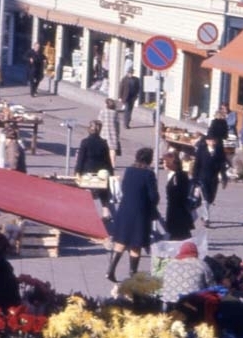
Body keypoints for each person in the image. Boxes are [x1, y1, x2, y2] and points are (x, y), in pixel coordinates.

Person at [106, 147, 159, 282]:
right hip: (139, 213)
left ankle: (111, 270)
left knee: (121, 241)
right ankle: (132, 273)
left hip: (124, 210)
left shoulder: (129, 170)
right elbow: (153, 196)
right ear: (149, 159)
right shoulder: (149, 174)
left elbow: (124, 188)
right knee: (136, 244)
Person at [74, 120, 113, 217]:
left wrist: (77, 172)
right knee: (104, 191)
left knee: (85, 191)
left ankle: (86, 212)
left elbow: (81, 159)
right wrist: (111, 173)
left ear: (89, 130)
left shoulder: (85, 142)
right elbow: (107, 161)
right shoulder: (103, 143)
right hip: (100, 173)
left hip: (87, 173)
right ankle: (105, 211)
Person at [159, 241, 213, 306]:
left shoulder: (170, 264)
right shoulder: (202, 264)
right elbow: (211, 285)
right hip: (193, 303)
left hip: (168, 302)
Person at [191, 134, 227, 227]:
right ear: (207, 141)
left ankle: (200, 214)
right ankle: (206, 218)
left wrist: (224, 177)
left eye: (214, 140)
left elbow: (222, 165)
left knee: (210, 198)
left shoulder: (219, 151)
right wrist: (194, 178)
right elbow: (197, 164)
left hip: (213, 178)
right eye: (211, 140)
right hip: (202, 177)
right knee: (206, 198)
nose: (213, 142)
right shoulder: (201, 150)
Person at [162, 152, 195, 241]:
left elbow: (178, 194)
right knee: (180, 236)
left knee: (179, 236)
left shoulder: (178, 176)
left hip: (178, 211)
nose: (163, 164)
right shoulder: (174, 175)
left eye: (165, 162)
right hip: (174, 209)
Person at [207, 105, 231, 187]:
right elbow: (226, 135)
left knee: (213, 161)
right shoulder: (224, 123)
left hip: (214, 143)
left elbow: (210, 133)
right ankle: (224, 177)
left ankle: (213, 178)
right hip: (220, 144)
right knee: (221, 162)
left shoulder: (214, 122)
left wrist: (209, 140)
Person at [97, 98, 122, 166]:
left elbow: (99, 121)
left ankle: (102, 163)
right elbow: (117, 124)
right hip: (113, 133)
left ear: (106, 104)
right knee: (112, 149)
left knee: (103, 148)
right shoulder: (115, 113)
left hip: (103, 132)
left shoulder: (102, 111)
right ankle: (113, 164)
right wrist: (118, 133)